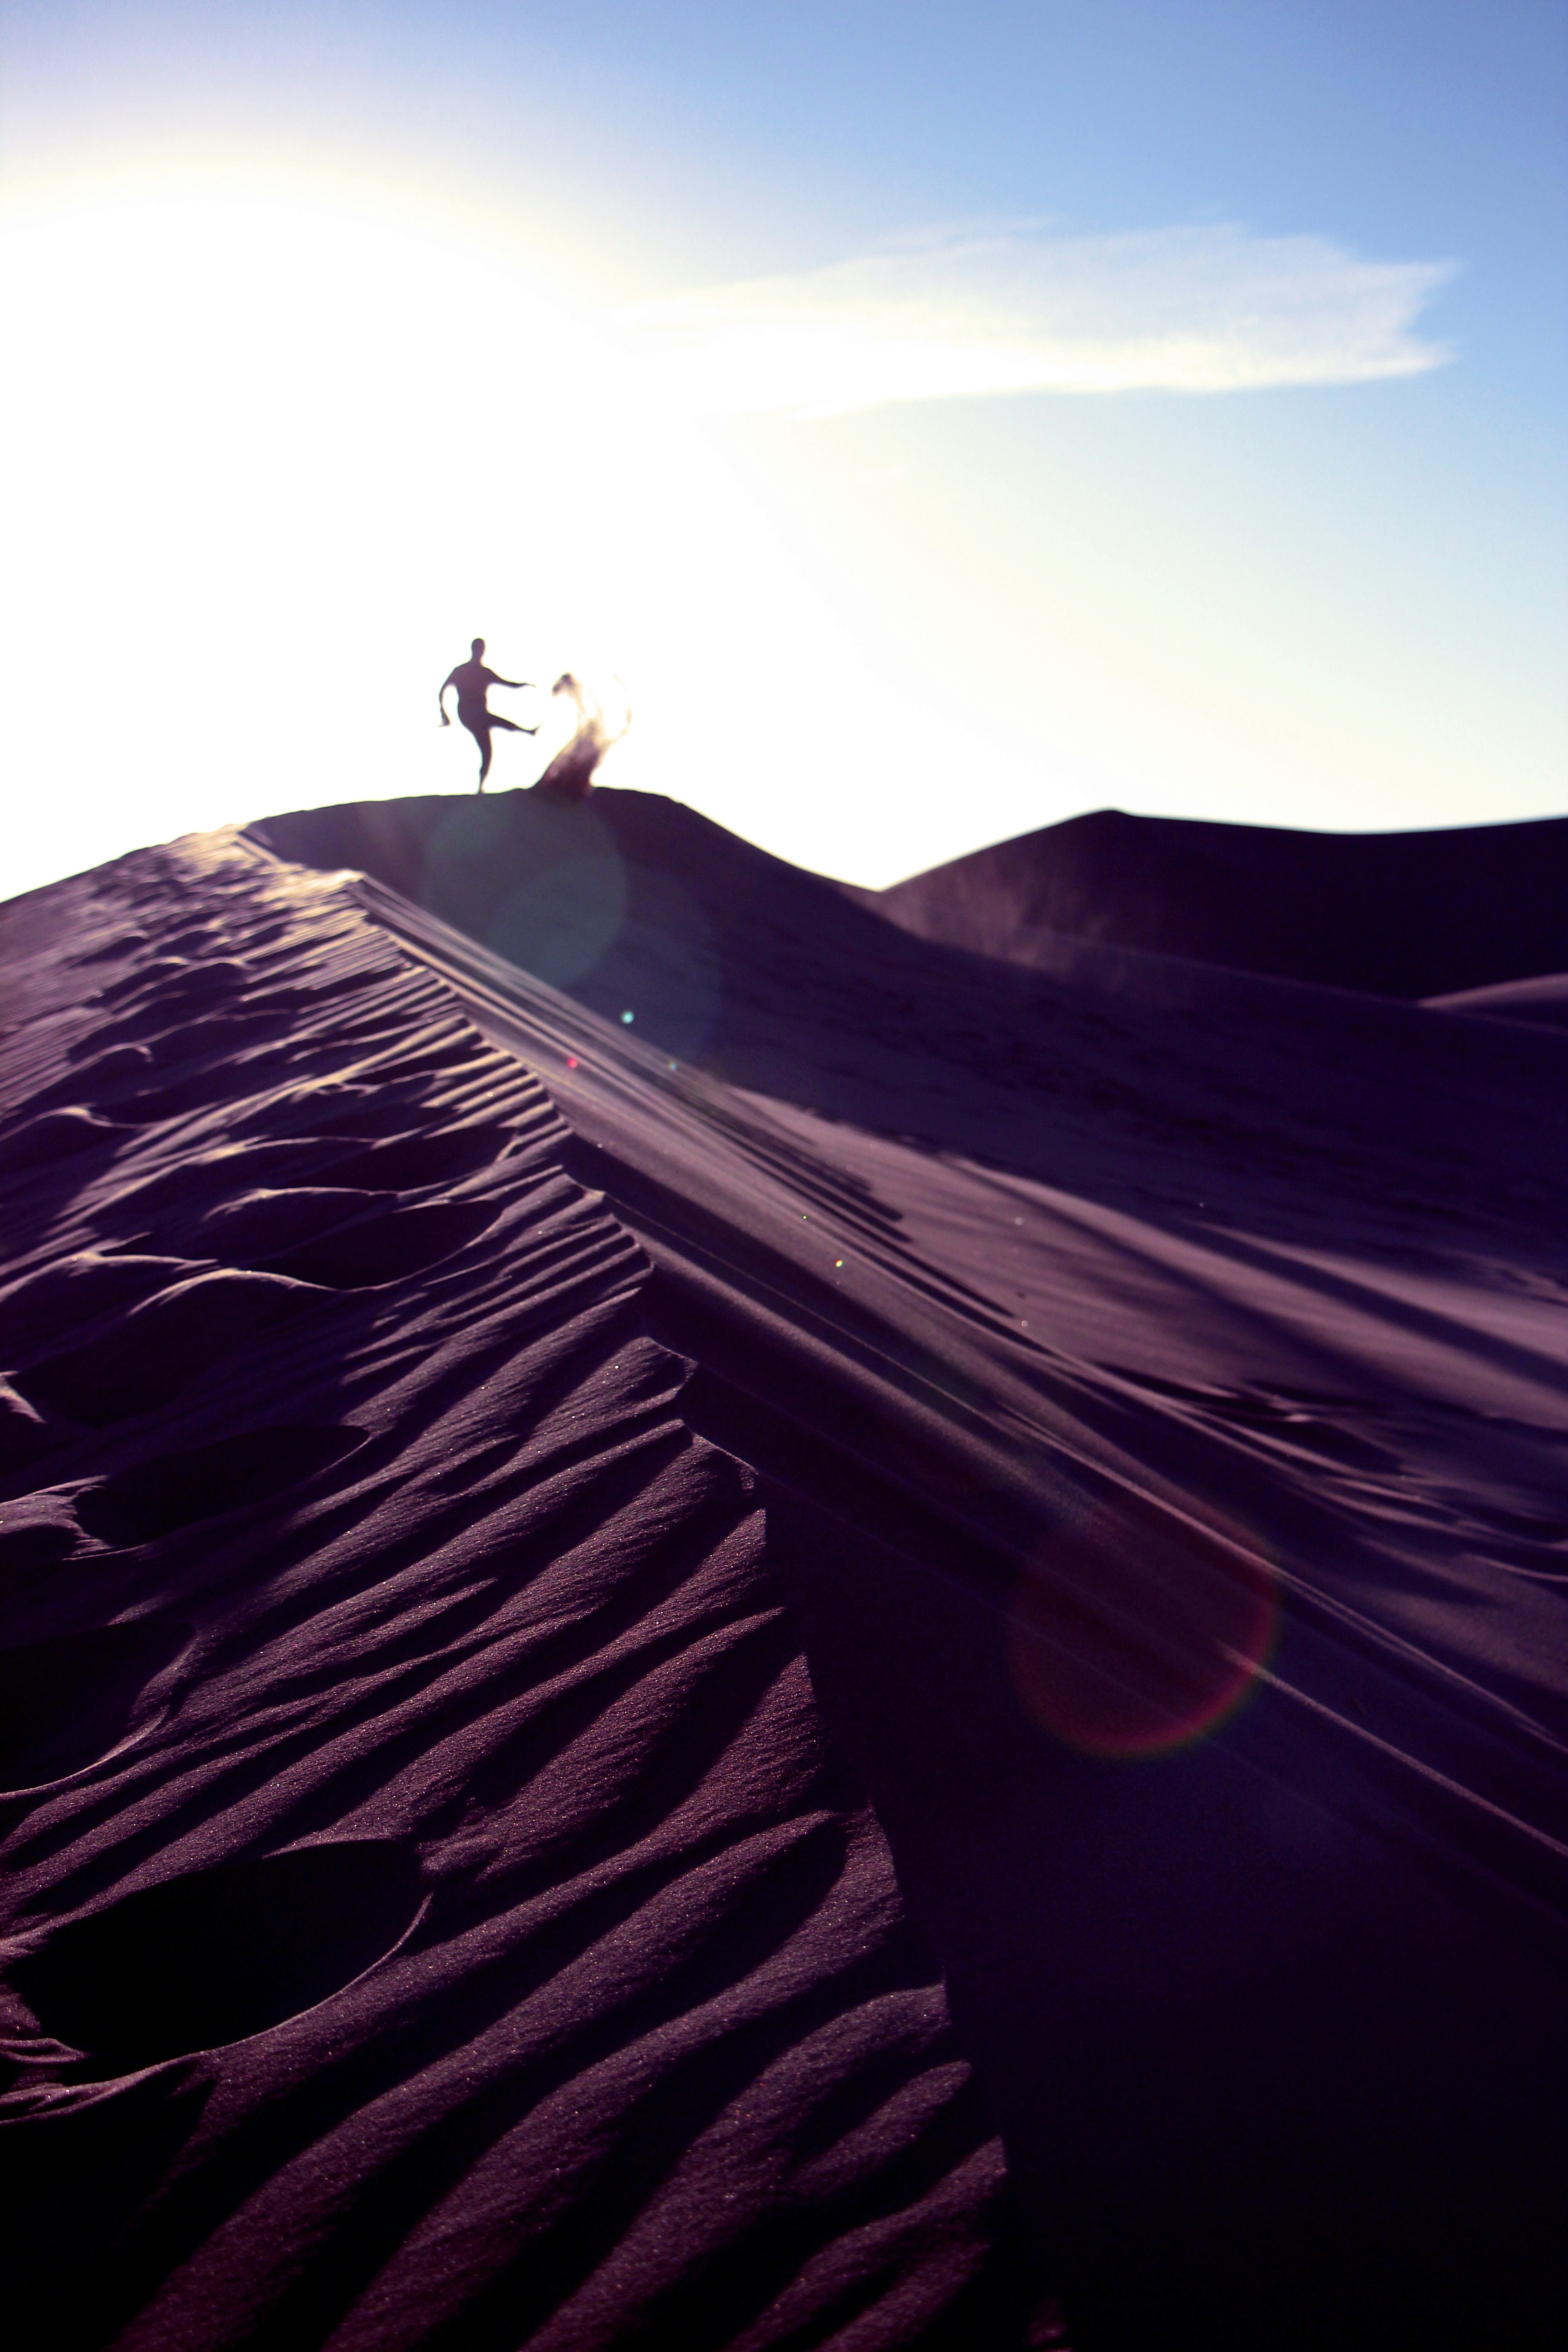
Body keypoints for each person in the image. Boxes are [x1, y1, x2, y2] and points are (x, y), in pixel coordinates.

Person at [438, 639, 537, 791]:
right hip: (469, 713)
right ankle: (528, 731)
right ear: (474, 650)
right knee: (491, 720)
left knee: (488, 750)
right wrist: (444, 714)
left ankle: (480, 787)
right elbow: (443, 690)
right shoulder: (461, 671)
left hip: (479, 715)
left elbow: (506, 683)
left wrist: (523, 685)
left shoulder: (485, 673)